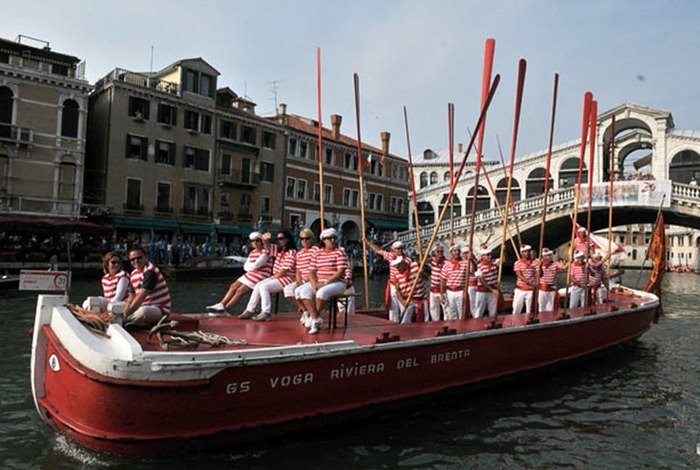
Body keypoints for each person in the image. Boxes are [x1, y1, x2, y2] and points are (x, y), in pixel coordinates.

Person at [206, 231, 272, 316]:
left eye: (257, 240)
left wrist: (252, 267)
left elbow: (257, 264)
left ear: (261, 241)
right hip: (251, 274)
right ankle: (221, 304)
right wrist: (252, 267)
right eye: (252, 241)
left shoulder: (266, 252)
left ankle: (224, 310)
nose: (254, 243)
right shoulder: (253, 252)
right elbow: (246, 266)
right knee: (233, 286)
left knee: (240, 291)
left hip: (260, 276)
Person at [239, 230, 297, 321]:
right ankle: (250, 310)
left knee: (264, 287)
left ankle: (266, 312)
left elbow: (285, 270)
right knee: (258, 285)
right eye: (278, 239)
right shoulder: (279, 250)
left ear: (287, 239)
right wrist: (265, 239)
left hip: (287, 278)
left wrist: (273, 277)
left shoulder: (292, 252)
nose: (279, 241)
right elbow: (267, 246)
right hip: (278, 276)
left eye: (281, 239)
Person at [299, 228, 348, 334]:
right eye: (329, 238)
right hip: (320, 282)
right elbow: (311, 272)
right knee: (303, 291)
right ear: (324, 240)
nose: (333, 240)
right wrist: (314, 285)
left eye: (334, 238)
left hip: (338, 283)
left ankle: (314, 318)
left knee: (322, 293)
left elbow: (340, 272)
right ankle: (315, 318)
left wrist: (325, 283)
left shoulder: (340, 252)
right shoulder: (317, 253)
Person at [365, 238, 410, 322]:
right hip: (393, 285)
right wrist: (368, 243)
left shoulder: (407, 259)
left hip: (403, 286)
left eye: (401, 248)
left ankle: (405, 324)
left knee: (404, 306)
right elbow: (378, 251)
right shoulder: (390, 256)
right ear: (393, 250)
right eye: (398, 248)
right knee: (393, 307)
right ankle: (393, 324)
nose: (400, 250)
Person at [123, 247, 171, 326]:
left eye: (139, 258)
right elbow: (132, 296)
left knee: (143, 311)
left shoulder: (150, 271)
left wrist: (128, 312)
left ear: (146, 257)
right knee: (118, 305)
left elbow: (142, 295)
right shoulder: (133, 274)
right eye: (132, 259)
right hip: (142, 305)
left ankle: (124, 321)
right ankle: (134, 322)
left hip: (159, 309)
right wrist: (127, 307)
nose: (136, 261)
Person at [391, 256, 427, 323]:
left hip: (421, 298)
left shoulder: (415, 266)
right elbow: (397, 291)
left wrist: (422, 274)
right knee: (404, 321)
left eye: (399, 267)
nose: (398, 270)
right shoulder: (396, 275)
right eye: (396, 268)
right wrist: (403, 302)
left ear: (403, 264)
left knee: (425, 319)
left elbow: (426, 278)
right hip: (408, 299)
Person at [439, 244, 468, 320]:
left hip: (460, 291)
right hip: (449, 292)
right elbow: (443, 280)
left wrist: (471, 259)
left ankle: (462, 327)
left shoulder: (465, 263)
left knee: (462, 312)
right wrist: (442, 294)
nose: (457, 252)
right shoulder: (446, 264)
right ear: (451, 252)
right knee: (452, 313)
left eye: (458, 251)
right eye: (455, 251)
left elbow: (474, 270)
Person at [537, 248, 568, 313]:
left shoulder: (555, 264)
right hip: (542, 289)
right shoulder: (538, 264)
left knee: (551, 308)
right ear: (544, 257)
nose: (550, 257)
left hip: (552, 289)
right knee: (541, 307)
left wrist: (570, 261)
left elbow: (564, 267)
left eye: (550, 255)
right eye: (548, 255)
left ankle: (550, 319)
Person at [474, 245, 499, 318]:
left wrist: (503, 251)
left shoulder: (494, 262)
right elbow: (482, 280)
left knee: (493, 311)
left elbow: (503, 260)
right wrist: (492, 290)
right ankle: (477, 324)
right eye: (487, 255)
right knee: (479, 310)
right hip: (482, 291)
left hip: (493, 290)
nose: (489, 257)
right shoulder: (478, 266)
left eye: (490, 255)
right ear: (482, 256)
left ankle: (492, 323)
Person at [512, 245, 537, 315]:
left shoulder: (535, 263)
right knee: (516, 310)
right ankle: (515, 323)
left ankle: (529, 322)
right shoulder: (517, 263)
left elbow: (539, 274)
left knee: (530, 311)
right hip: (520, 290)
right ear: (522, 253)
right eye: (525, 252)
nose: (527, 253)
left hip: (531, 290)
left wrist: (540, 267)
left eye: (528, 251)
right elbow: (519, 275)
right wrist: (530, 283)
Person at [428, 243, 446, 321]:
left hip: (443, 289)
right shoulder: (432, 261)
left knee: (446, 308)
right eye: (437, 251)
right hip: (433, 289)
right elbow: (423, 261)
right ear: (434, 252)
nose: (439, 252)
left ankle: (447, 322)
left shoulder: (446, 262)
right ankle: (436, 322)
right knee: (433, 308)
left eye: (441, 251)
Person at [461, 244, 478, 316]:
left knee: (475, 301)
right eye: (466, 253)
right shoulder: (463, 262)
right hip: (469, 285)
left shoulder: (474, 260)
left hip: (476, 283)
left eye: (468, 253)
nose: (467, 255)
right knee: (471, 301)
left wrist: (471, 260)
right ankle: (472, 314)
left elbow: (475, 270)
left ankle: (475, 314)